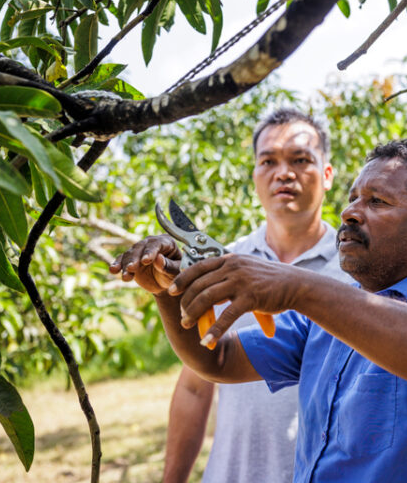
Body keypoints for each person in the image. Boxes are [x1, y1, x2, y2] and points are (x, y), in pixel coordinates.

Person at [117, 139, 407, 482]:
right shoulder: (321, 323)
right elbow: (217, 360)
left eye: (377, 201)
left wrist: (298, 287)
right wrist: (168, 294)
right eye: (352, 199)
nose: (350, 212)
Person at [110, 109, 351, 482]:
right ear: (254, 176)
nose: (283, 172)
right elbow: (194, 386)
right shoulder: (222, 266)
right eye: (268, 160)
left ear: (328, 174)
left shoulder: (357, 270)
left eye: (301, 159)